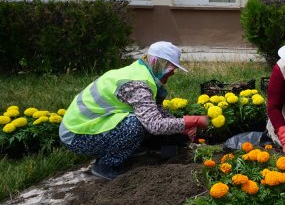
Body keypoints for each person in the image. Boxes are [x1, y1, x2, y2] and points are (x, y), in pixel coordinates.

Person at [59, 41, 209, 180]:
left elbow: (155, 111)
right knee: (134, 125)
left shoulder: (141, 72)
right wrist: (195, 120)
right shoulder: (137, 84)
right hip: (76, 135)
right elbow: (155, 125)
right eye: (171, 68)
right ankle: (104, 166)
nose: (172, 73)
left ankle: (127, 149)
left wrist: (183, 128)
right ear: (158, 63)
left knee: (141, 119)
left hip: (90, 126)